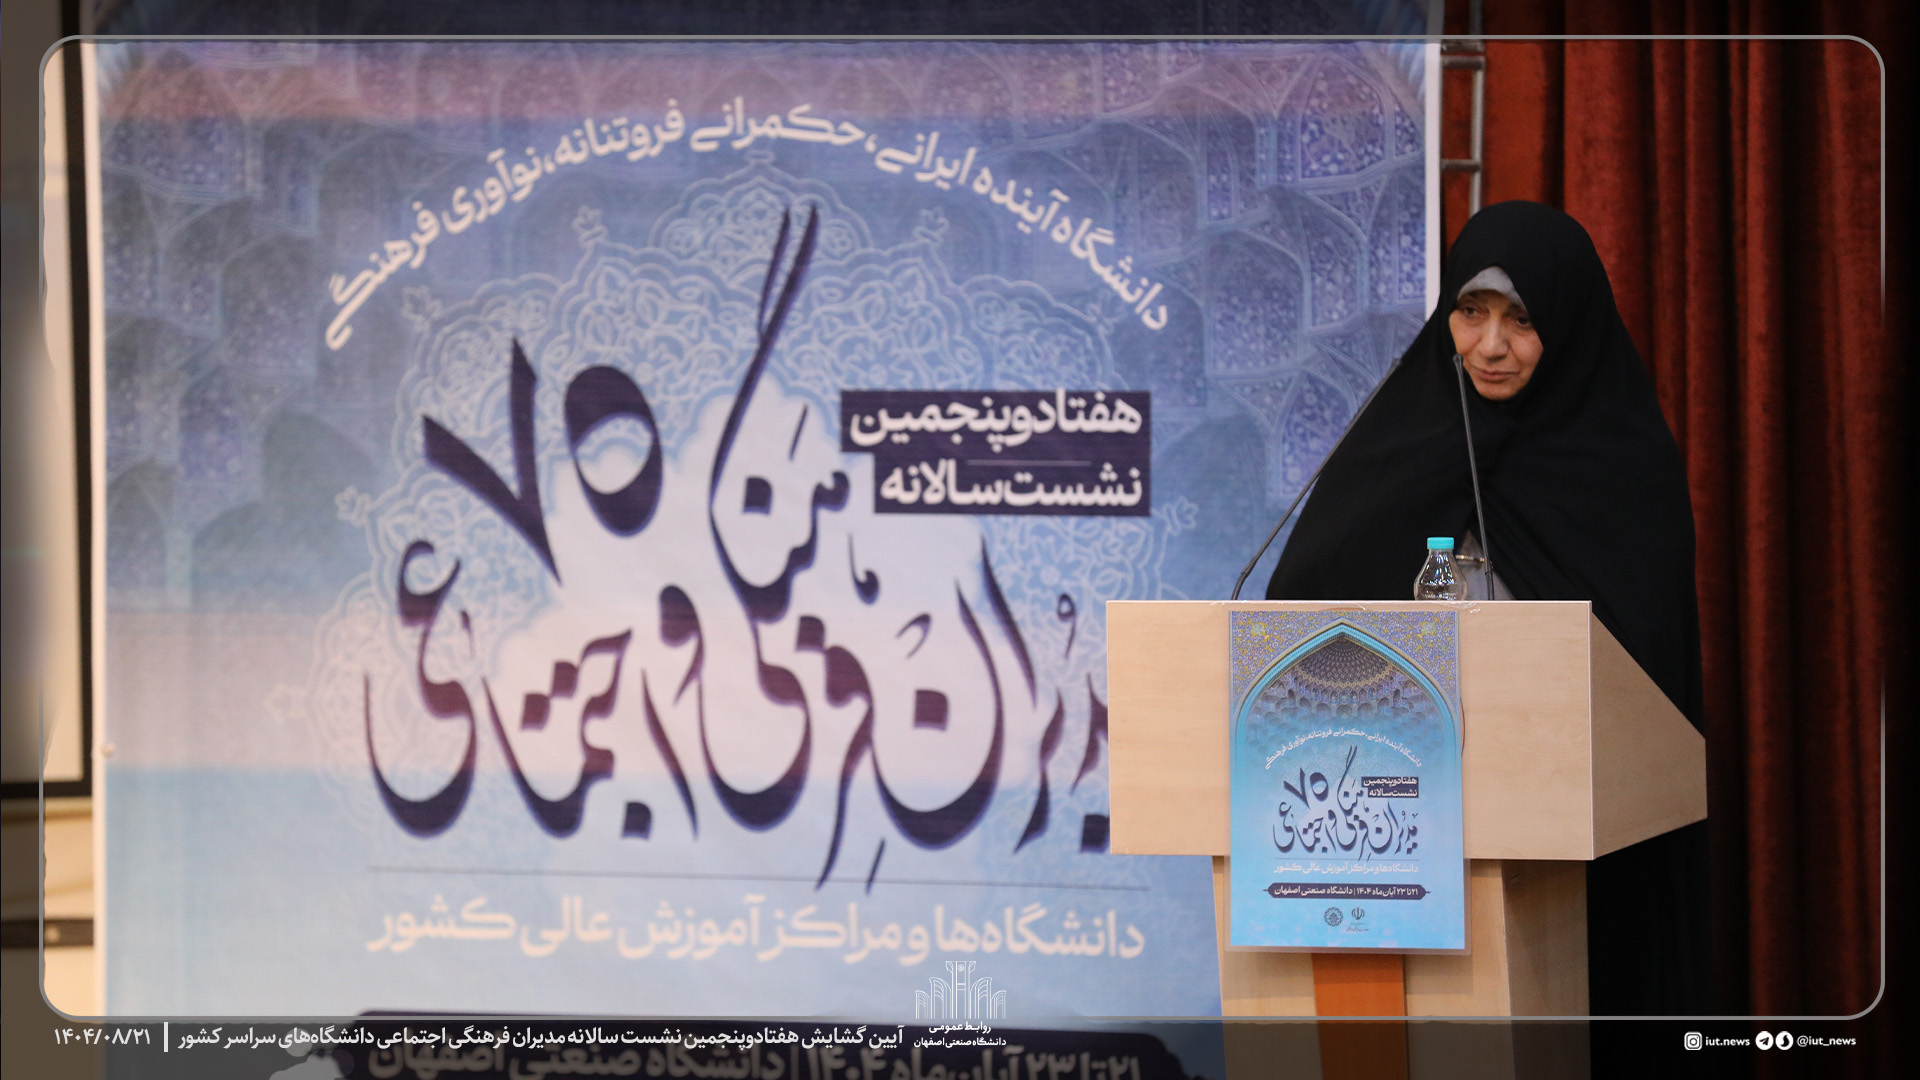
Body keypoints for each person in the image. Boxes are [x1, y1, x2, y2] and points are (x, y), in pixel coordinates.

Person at [1265, 200, 1714, 1015]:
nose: (1491, 345)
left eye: (1522, 320)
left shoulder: (1620, 470)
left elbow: (1644, 673)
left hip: (1578, 857)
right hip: (1387, 826)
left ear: (1567, 326)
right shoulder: (1395, 448)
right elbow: (1300, 624)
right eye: (1471, 312)